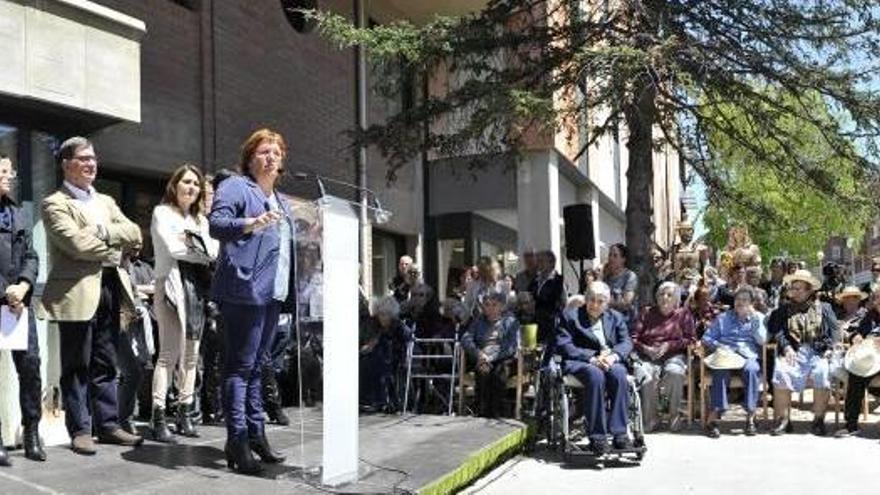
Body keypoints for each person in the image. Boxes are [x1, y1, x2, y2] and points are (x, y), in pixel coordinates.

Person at [39, 137, 144, 455]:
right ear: (66, 164)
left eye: (94, 158)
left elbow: (136, 233)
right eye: (83, 158)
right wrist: (114, 245)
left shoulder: (107, 202)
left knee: (106, 360)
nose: (91, 164)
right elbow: (77, 246)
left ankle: (108, 425)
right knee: (76, 364)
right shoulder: (54, 203)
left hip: (111, 288)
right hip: (76, 293)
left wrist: (101, 233)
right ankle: (81, 429)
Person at [210, 129, 296, 474]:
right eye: (263, 151)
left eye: (276, 152)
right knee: (240, 367)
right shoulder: (235, 186)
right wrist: (250, 223)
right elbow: (216, 224)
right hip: (243, 291)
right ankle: (238, 439)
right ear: (250, 157)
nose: (271, 156)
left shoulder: (283, 200)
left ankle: (257, 434)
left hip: (273, 292)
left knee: (260, 365)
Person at [149, 164, 218, 442]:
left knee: (191, 356)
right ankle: (158, 416)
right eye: (186, 182)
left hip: (197, 289)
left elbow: (213, 253)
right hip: (170, 286)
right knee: (168, 356)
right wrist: (196, 247)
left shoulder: (202, 220)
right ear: (174, 185)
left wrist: (192, 243)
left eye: (196, 183)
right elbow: (174, 249)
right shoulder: (162, 212)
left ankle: (185, 414)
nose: (191, 187)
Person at [0, 156, 44, 464]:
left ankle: (31, 430)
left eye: (11, 171)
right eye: (3, 171)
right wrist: (5, 291)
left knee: (30, 367)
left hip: (19, 305)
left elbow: (31, 255)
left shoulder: (17, 212)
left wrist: (25, 285)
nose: (10, 176)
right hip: (4, 298)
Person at [556, 281, 633, 455]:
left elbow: (626, 342)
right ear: (585, 298)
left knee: (620, 373)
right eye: (591, 299)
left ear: (607, 302)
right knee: (595, 375)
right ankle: (597, 436)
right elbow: (565, 345)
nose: (595, 304)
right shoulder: (570, 317)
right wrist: (592, 358)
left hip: (608, 360)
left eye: (600, 301)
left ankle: (620, 433)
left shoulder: (615, 317)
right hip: (582, 362)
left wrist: (613, 357)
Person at [769, 269, 838, 436]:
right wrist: (786, 346)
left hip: (817, 351)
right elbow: (774, 328)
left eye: (800, 288)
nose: (795, 291)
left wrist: (829, 348)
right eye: (793, 288)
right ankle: (784, 420)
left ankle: (818, 420)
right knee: (781, 370)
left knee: (822, 371)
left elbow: (835, 331)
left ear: (809, 290)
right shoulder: (783, 310)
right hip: (794, 351)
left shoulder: (824, 308)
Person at [701, 286, 767, 438]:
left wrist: (754, 321)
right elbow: (707, 337)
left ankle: (751, 415)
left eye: (745, 300)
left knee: (752, 369)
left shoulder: (759, 318)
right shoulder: (723, 318)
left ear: (752, 303)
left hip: (747, 356)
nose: (740, 303)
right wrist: (720, 346)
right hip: (726, 355)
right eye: (738, 299)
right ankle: (716, 414)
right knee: (720, 370)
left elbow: (762, 340)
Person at [631, 282, 696, 432]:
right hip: (649, 355)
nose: (665, 298)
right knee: (646, 374)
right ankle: (651, 417)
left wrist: (669, 345)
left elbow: (691, 339)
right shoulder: (646, 312)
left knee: (675, 372)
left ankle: (674, 415)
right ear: (656, 296)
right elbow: (633, 337)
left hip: (674, 355)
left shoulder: (683, 314)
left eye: (669, 295)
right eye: (661, 294)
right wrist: (645, 349)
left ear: (676, 299)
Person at [462, 290, 520, 418]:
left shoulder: (510, 321)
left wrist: (491, 357)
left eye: (494, 304)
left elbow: (511, 346)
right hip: (483, 357)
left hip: (503, 358)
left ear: (502, 306)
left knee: (499, 372)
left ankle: (496, 412)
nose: (490, 308)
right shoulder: (478, 321)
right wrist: (478, 354)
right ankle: (482, 412)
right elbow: (466, 338)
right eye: (487, 305)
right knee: (483, 371)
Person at [834, 287, 880, 437]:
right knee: (855, 376)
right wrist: (857, 337)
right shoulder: (870, 316)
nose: (876, 301)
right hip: (870, 357)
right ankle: (851, 425)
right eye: (875, 297)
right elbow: (859, 332)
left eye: (878, 297)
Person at [359, 296, 411, 412]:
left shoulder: (399, 326)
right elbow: (365, 340)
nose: (382, 317)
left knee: (373, 364)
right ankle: (366, 400)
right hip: (373, 357)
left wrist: (376, 344)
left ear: (392, 315)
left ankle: (378, 401)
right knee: (364, 363)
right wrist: (367, 347)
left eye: (385, 314)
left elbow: (406, 340)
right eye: (380, 314)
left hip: (393, 358)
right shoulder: (372, 324)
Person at [529, 250, 566, 344]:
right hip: (534, 324)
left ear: (551, 263)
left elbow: (562, 303)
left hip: (550, 325)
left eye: (541, 261)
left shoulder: (559, 281)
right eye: (538, 261)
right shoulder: (535, 280)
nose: (538, 264)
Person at [603, 243, 638, 321]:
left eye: (615, 256)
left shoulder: (629, 276)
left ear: (623, 259)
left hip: (625, 320)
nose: (611, 258)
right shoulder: (606, 277)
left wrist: (606, 301)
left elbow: (626, 302)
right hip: (608, 319)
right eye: (610, 255)